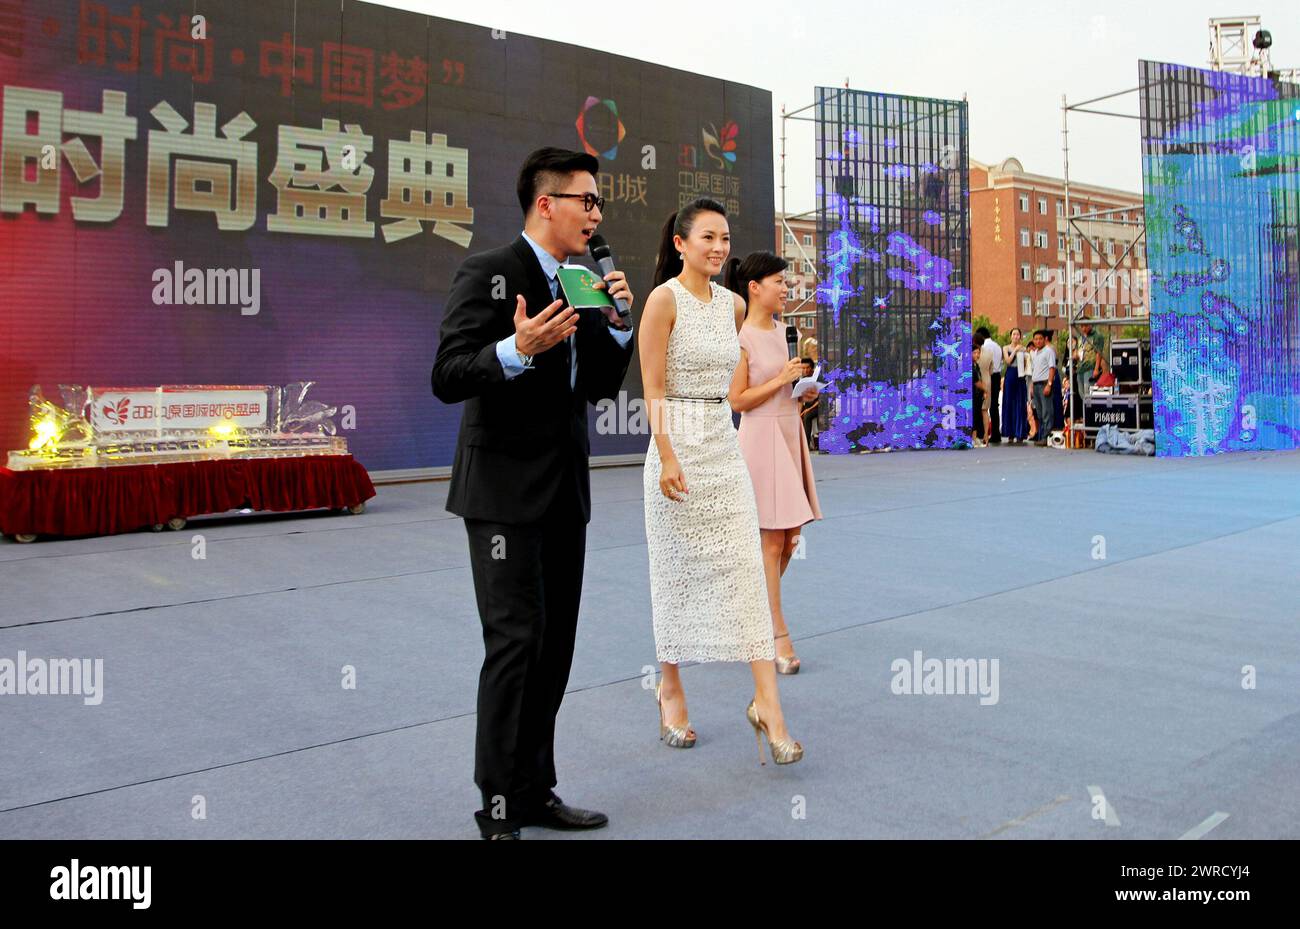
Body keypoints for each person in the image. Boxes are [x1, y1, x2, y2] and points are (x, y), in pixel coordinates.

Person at [431, 147, 636, 839]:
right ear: (545, 203)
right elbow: (449, 372)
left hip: (563, 495)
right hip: (502, 498)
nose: (595, 212)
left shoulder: (583, 279)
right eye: (585, 199)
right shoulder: (489, 271)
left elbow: (599, 386)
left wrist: (618, 324)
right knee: (515, 644)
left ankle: (534, 789)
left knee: (555, 648)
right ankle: (496, 807)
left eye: (598, 201)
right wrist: (515, 349)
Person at [640, 198, 803, 765]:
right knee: (676, 573)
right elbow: (653, 390)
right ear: (681, 243)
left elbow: (745, 370)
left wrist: (789, 389)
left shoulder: (735, 305)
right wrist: (666, 455)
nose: (718, 247)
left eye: (725, 238)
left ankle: (768, 705)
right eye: (707, 237)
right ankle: (672, 690)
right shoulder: (664, 301)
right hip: (676, 448)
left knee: (744, 576)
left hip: (722, 444)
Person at [725, 252, 824, 675]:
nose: (786, 288)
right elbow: (738, 401)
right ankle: (775, 632)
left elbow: (786, 390)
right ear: (754, 288)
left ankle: (748, 615)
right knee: (770, 541)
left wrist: (802, 390)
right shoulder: (740, 337)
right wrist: (779, 381)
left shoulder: (787, 331)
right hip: (760, 437)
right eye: (778, 281)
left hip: (788, 432)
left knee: (791, 539)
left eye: (786, 282)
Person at [1000, 327, 1030, 443]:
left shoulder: (1024, 349)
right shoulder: (1005, 348)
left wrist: (1022, 351)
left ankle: (1020, 432)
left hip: (1020, 376)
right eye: (1013, 334)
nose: (1015, 336)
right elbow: (1007, 361)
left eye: (1018, 334)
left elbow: (1027, 363)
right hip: (1010, 375)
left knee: (1020, 403)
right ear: (1010, 336)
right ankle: (1010, 432)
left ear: (1020, 336)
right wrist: (1015, 351)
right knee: (1009, 403)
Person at [1029, 329, 1057, 446]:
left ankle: (1047, 437)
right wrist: (1031, 386)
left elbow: (1052, 368)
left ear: (1044, 339)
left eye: (1040, 339)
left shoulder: (1049, 351)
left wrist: (1049, 384)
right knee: (1039, 413)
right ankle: (1041, 435)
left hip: (1044, 384)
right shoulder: (1035, 353)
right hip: (1035, 384)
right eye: (1036, 339)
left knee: (1047, 412)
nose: (1038, 341)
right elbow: (1034, 370)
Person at [976, 327, 1002, 444]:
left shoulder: (978, 350)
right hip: (990, 378)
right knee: (989, 408)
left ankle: (978, 434)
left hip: (979, 379)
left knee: (978, 409)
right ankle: (990, 434)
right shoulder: (995, 348)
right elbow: (992, 368)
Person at [798, 357, 820, 450]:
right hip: (807, 406)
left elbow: (821, 400)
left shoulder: (817, 379)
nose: (805, 370)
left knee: (807, 416)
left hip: (818, 406)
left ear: (812, 368)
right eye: (803, 368)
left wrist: (807, 410)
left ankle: (805, 446)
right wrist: (798, 413)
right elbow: (800, 400)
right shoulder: (801, 381)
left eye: (807, 368)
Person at [972, 340, 990, 447]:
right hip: (972, 395)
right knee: (973, 416)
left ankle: (976, 437)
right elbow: (977, 383)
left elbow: (981, 379)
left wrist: (983, 391)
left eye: (978, 353)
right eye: (974, 352)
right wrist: (986, 389)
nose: (977, 355)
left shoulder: (977, 366)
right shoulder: (969, 366)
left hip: (978, 395)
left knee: (978, 416)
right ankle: (973, 438)